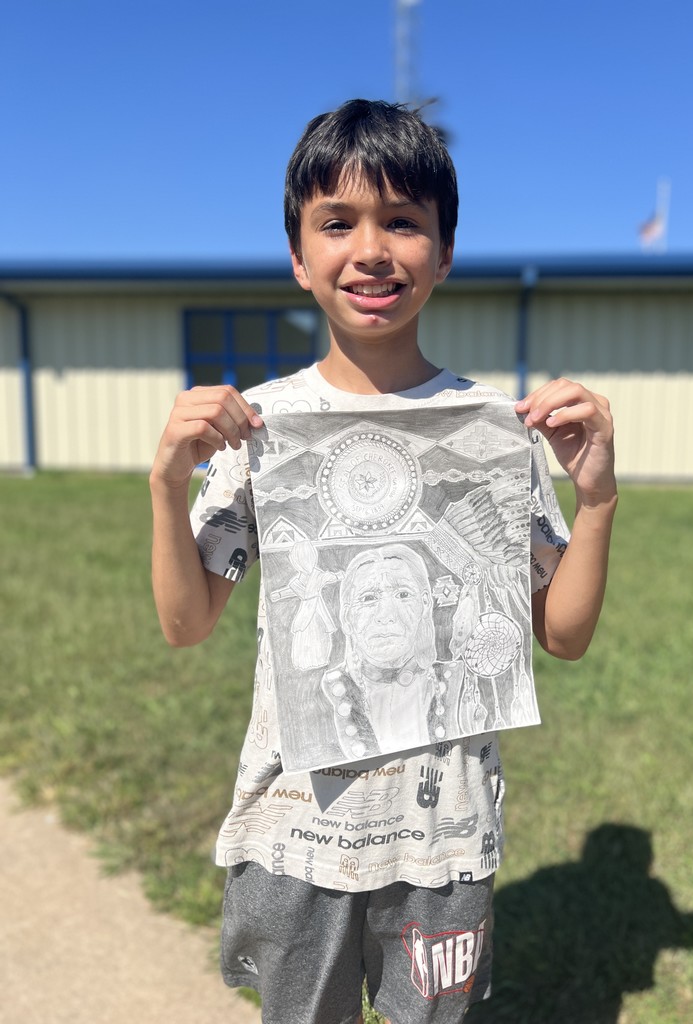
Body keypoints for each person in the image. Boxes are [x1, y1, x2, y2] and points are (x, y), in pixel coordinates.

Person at [150, 98, 617, 1024]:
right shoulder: (258, 428)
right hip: (297, 832)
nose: (372, 249)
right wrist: (168, 483)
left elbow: (560, 635)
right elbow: (185, 620)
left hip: (442, 839)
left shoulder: (496, 433)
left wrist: (596, 499)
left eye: (404, 221)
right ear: (298, 256)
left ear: (443, 253)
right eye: (337, 222)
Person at [321, 543, 463, 759]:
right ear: (346, 617)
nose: (386, 614)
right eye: (369, 598)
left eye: (403, 594)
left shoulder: (458, 681)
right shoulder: (329, 692)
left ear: (425, 605)